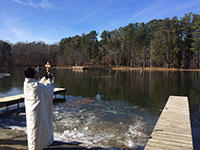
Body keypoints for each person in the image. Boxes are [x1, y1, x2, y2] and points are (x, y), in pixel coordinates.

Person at [23, 67, 54, 150]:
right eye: (36, 74)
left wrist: (44, 78)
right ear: (34, 75)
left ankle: (33, 147)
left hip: (30, 112)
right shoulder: (37, 87)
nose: (37, 75)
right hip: (37, 113)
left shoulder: (26, 84)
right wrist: (49, 80)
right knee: (37, 130)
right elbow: (49, 90)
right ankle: (37, 147)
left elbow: (38, 84)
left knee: (32, 130)